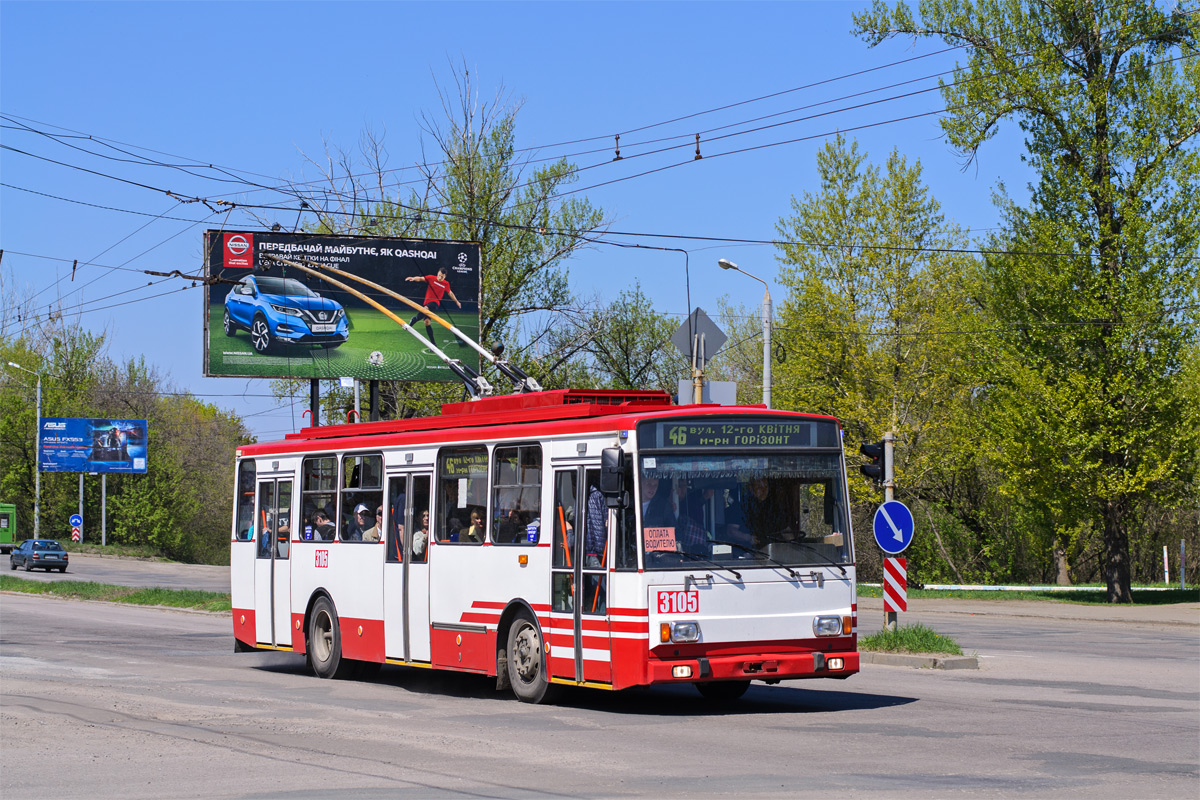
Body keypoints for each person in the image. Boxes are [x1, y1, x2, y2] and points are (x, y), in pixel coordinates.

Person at [405, 268, 462, 347]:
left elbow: (450, 293)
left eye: (442, 277)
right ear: (437, 273)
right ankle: (433, 344)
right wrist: (413, 278)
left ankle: (414, 319)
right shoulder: (431, 278)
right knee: (427, 322)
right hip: (426, 303)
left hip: (435, 303)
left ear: (445, 277)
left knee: (426, 309)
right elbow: (421, 278)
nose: (439, 278)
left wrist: (456, 301)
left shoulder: (446, 284)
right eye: (439, 275)